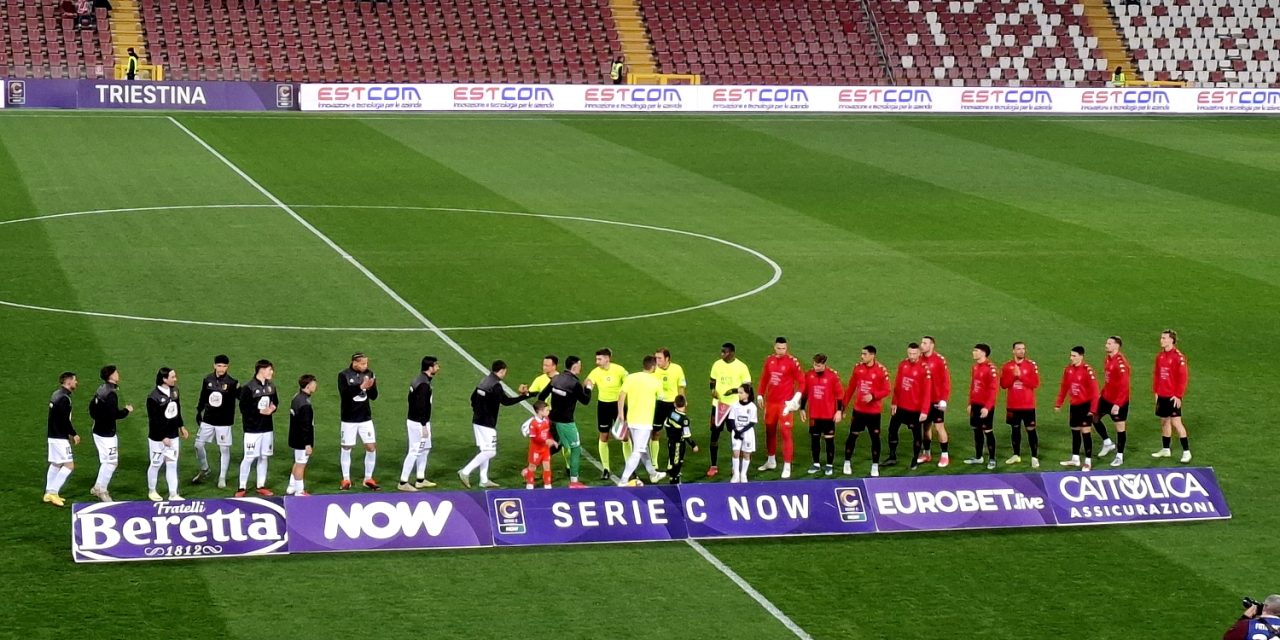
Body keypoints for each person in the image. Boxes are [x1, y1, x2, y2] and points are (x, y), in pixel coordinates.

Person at [459, 360, 529, 489]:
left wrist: (477, 411)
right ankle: (465, 471)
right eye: (504, 372)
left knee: (484, 450)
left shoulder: (483, 381)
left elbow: (473, 398)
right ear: (501, 371)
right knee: (490, 452)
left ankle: (484, 480)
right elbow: (506, 402)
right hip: (487, 424)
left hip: (477, 421)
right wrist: (525, 396)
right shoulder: (495, 386)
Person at [537, 355, 592, 488]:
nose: (581, 367)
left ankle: (531, 467)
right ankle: (574, 481)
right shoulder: (575, 384)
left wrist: (545, 412)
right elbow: (585, 401)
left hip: (552, 419)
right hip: (567, 423)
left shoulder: (556, 378)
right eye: (580, 365)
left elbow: (541, 396)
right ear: (574, 367)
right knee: (575, 449)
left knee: (556, 446)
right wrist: (588, 387)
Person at [616, 356, 667, 486]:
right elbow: (662, 398)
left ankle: (653, 473)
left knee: (643, 449)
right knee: (638, 451)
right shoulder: (656, 381)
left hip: (632, 419)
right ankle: (623, 480)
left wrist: (621, 413)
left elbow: (621, 395)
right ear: (653, 367)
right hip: (644, 422)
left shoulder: (631, 377)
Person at [757, 337, 803, 476]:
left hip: (785, 405)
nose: (781, 351)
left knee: (785, 433)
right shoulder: (769, 360)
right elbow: (764, 378)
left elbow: (802, 382)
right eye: (779, 348)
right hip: (770, 403)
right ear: (774, 347)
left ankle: (787, 466)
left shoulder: (792, 362)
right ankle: (771, 460)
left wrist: (795, 400)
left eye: (784, 348)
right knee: (769, 431)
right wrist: (760, 395)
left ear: (786, 347)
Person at [841, 345, 890, 477]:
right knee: (853, 435)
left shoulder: (881, 370)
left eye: (864, 354)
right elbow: (851, 387)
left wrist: (873, 396)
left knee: (875, 438)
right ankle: (847, 462)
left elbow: (887, 390)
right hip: (859, 410)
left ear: (872, 355)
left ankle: (874, 466)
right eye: (861, 354)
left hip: (874, 412)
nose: (862, 356)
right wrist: (842, 407)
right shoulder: (858, 368)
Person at [89, 365, 132, 502]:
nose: (118, 374)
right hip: (107, 434)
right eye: (116, 372)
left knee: (105, 461)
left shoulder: (101, 389)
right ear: (111, 376)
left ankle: (97, 487)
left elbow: (92, 408)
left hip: (97, 430)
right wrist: (127, 410)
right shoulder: (111, 394)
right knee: (112, 462)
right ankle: (102, 490)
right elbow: (114, 414)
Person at [235, 359, 278, 497]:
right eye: (270, 369)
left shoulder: (271, 386)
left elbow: (275, 401)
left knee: (264, 456)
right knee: (249, 457)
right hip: (252, 429)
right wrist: (259, 412)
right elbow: (244, 408)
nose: (272, 372)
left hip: (267, 428)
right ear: (262, 370)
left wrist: (272, 408)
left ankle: (261, 485)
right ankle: (241, 487)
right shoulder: (249, 388)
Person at [194, 354, 237, 488]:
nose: (221, 369)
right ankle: (205, 468)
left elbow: (242, 398)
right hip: (208, 418)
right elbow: (203, 396)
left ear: (227, 367)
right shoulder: (208, 379)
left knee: (224, 448)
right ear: (214, 366)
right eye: (219, 366)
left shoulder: (232, 382)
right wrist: (198, 411)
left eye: (224, 366)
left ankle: (222, 477)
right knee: (198, 445)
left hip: (224, 421)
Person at [338, 352, 380, 491]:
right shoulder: (344, 375)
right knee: (347, 448)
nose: (365, 366)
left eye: (366, 363)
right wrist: (360, 387)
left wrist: (371, 387)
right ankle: (346, 479)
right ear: (354, 363)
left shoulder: (370, 373)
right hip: (349, 419)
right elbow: (345, 395)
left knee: (371, 447)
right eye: (363, 363)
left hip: (365, 418)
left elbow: (374, 397)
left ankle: (368, 478)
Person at [708, 342, 751, 478]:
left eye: (724, 352)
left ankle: (736, 467)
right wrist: (713, 390)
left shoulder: (741, 367)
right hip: (718, 405)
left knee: (736, 436)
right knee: (714, 435)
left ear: (732, 353)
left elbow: (748, 387)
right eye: (721, 352)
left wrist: (733, 391)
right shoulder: (717, 364)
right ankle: (713, 465)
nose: (721, 355)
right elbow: (712, 380)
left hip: (735, 407)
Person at [887, 343, 932, 470]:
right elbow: (898, 385)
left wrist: (924, 411)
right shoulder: (903, 364)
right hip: (901, 406)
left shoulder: (924, 369)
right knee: (892, 430)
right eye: (909, 353)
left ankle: (914, 459)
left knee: (916, 435)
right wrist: (894, 402)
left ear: (919, 353)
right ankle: (892, 455)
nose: (911, 356)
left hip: (915, 410)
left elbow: (927, 392)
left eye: (914, 354)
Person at [146, 367, 188, 502]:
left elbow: (177, 410)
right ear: (164, 379)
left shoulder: (175, 391)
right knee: (156, 464)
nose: (175, 379)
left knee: (172, 463)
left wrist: (181, 426)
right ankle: (152, 491)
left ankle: (173, 494)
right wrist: (162, 436)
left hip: (173, 435)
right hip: (157, 439)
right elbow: (153, 420)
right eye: (173, 377)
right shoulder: (153, 397)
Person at [1055, 346, 1100, 471]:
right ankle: (1075, 458)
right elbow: (1064, 387)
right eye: (1071, 355)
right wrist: (1059, 403)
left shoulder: (1087, 370)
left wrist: (1093, 410)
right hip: (1074, 405)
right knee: (1075, 431)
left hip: (1085, 406)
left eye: (1074, 356)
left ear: (1081, 356)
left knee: (1086, 433)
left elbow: (1095, 392)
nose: (1071, 358)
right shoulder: (1068, 370)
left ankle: (1088, 461)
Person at [586, 348, 628, 480]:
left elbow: (629, 383)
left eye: (599, 359)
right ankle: (606, 468)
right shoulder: (596, 372)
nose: (597, 361)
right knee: (604, 436)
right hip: (603, 406)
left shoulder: (619, 370)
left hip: (618, 406)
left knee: (624, 437)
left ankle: (629, 467)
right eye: (596, 359)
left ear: (607, 358)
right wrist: (588, 385)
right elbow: (588, 380)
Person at [798, 354, 843, 476]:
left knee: (829, 440)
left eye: (818, 365)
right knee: (815, 439)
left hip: (828, 415)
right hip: (814, 414)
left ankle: (829, 465)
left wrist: (839, 411)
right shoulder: (809, 375)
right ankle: (816, 463)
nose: (815, 367)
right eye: (814, 364)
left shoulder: (832, 376)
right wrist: (802, 408)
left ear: (824, 364)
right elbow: (805, 393)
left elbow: (840, 396)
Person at [400, 356, 440, 491]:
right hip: (418, 422)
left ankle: (420, 479)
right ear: (430, 367)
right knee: (415, 451)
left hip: (418, 420)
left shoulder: (419, 379)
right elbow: (421, 405)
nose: (438, 367)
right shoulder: (423, 384)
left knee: (425, 448)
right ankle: (403, 482)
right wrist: (423, 425)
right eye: (436, 365)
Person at [1152, 329, 1191, 462]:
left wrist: (1178, 395)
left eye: (1164, 338)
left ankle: (1186, 452)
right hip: (1162, 395)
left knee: (1176, 422)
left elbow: (1183, 378)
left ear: (1171, 340)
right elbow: (1157, 375)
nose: (1161, 340)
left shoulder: (1178, 357)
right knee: (1164, 422)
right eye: (1161, 338)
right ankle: (1166, 449)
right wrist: (1156, 392)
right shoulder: (1160, 356)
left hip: (1172, 396)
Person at [1000, 341, 1041, 468]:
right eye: (1018, 349)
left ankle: (1034, 457)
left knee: (1031, 430)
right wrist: (1013, 377)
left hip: (1028, 405)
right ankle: (1016, 455)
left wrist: (1021, 376)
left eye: (1023, 349)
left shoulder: (1031, 365)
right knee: (1015, 429)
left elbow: (1035, 383)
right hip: (1013, 405)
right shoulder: (1007, 366)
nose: (1022, 351)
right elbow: (1003, 385)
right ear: (1013, 351)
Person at [43, 372, 79, 507]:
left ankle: (48, 493)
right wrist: (73, 434)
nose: (77, 383)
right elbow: (64, 420)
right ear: (68, 381)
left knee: (56, 464)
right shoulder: (64, 398)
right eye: (75, 380)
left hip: (52, 435)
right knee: (69, 465)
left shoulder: (56, 394)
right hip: (59, 437)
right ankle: (53, 492)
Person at [918, 336, 952, 467]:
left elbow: (946, 381)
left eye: (925, 343)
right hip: (923, 401)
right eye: (922, 342)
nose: (922, 345)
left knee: (939, 427)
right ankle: (927, 453)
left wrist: (944, 400)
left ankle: (945, 456)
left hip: (937, 400)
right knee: (925, 428)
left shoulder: (939, 360)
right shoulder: (919, 359)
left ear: (932, 345)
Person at [965, 344, 999, 470]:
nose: (973, 352)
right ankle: (979, 457)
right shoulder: (975, 367)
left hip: (985, 406)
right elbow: (973, 386)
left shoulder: (991, 368)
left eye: (976, 351)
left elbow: (993, 390)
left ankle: (992, 459)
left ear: (983, 353)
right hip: (975, 404)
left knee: (988, 431)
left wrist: (987, 407)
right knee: (976, 430)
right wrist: (970, 403)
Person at [652, 348, 687, 473]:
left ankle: (671, 463)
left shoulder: (677, 369)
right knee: (655, 432)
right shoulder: (653, 369)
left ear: (667, 359)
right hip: (658, 404)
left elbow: (681, 387)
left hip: (673, 405)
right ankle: (654, 463)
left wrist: (681, 406)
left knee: (673, 435)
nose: (657, 360)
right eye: (656, 358)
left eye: (659, 358)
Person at [528, 355, 565, 469]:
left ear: (554, 366)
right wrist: (524, 391)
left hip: (561, 415)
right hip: (548, 418)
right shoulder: (540, 379)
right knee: (556, 444)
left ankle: (534, 465)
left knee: (560, 443)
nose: (544, 367)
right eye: (543, 365)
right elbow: (532, 393)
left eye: (547, 365)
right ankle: (533, 465)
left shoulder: (562, 379)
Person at [1096, 336, 1128, 466]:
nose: (1106, 345)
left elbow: (1124, 386)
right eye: (1106, 343)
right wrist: (1101, 394)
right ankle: (1107, 443)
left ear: (1116, 346)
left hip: (1118, 401)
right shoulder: (1108, 359)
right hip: (1106, 398)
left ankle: (1119, 456)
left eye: (1109, 343)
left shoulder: (1121, 364)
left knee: (1120, 428)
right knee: (1094, 417)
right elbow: (1109, 381)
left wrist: (1118, 404)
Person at [287, 374, 317, 497]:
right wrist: (307, 444)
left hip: (295, 437)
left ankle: (292, 486)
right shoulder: (305, 404)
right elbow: (305, 426)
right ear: (308, 385)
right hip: (301, 440)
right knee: (301, 464)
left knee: (297, 461)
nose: (316, 386)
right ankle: (299, 491)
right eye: (314, 384)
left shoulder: (297, 397)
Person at [663, 395, 698, 484]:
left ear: (675, 404)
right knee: (676, 463)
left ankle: (675, 476)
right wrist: (693, 445)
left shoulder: (671, 413)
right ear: (685, 404)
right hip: (677, 443)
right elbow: (686, 435)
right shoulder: (684, 420)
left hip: (671, 441)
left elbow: (667, 424)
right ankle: (674, 482)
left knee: (676, 461)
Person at [727, 384, 759, 483]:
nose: (739, 395)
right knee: (735, 452)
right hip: (736, 431)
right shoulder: (735, 405)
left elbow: (752, 422)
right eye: (738, 393)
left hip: (747, 433)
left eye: (741, 393)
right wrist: (736, 431)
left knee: (746, 454)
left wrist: (742, 431)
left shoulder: (752, 407)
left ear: (747, 394)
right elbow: (731, 419)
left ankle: (743, 474)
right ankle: (736, 474)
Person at [521, 401, 554, 489]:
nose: (549, 411)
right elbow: (534, 438)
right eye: (547, 410)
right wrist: (545, 440)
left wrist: (551, 439)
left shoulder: (547, 420)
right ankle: (530, 483)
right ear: (540, 411)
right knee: (532, 467)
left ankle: (547, 484)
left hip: (545, 449)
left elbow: (548, 433)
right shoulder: (533, 423)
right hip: (536, 449)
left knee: (547, 466)